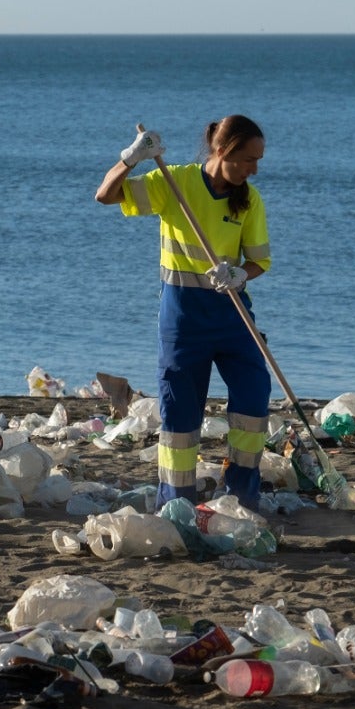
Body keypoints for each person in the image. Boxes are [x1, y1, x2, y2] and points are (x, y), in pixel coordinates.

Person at [95, 116, 272, 508]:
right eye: (246, 160)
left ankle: (241, 495)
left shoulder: (250, 200)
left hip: (232, 316)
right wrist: (132, 158)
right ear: (222, 151)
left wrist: (241, 272)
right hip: (183, 321)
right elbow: (105, 196)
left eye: (257, 160)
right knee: (180, 419)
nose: (253, 169)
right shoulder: (173, 182)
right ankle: (177, 502)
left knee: (254, 400)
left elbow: (261, 260)